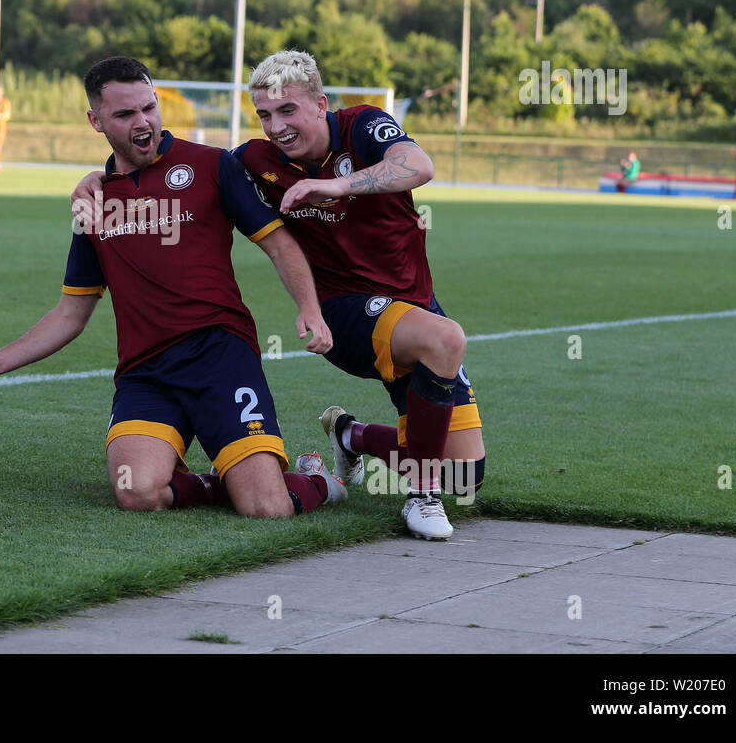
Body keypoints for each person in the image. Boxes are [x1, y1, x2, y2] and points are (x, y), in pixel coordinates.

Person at [74, 51, 483, 540]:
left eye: (288, 110)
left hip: (412, 306)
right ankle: (423, 496)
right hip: (344, 309)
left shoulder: (365, 126)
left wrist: (334, 185)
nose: (277, 127)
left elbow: (418, 165)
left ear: (320, 104)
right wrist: (97, 176)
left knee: (466, 476)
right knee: (445, 340)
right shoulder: (255, 160)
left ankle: (350, 435)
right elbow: (175, 174)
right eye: (265, 114)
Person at [0, 56, 344, 518]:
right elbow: (70, 313)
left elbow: (279, 243)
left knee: (267, 508)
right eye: (125, 114)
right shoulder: (93, 203)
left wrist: (309, 309)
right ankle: (225, 484)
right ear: (96, 121)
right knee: (136, 491)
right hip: (147, 371)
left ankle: (316, 479)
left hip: (221, 357)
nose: (143, 122)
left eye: (149, 108)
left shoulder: (211, 166)